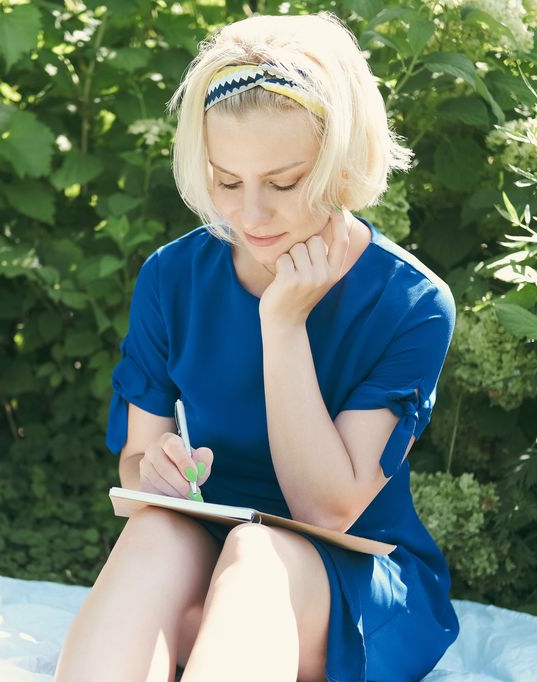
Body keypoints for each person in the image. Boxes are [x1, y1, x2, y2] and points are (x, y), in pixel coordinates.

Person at [54, 11, 460, 682]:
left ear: (341, 161)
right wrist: (154, 471)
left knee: (259, 554)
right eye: (225, 181)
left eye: (283, 183)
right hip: (201, 552)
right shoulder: (172, 278)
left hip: (347, 578)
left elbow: (324, 508)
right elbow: (136, 465)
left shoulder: (410, 303)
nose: (249, 216)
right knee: (156, 531)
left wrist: (283, 324)